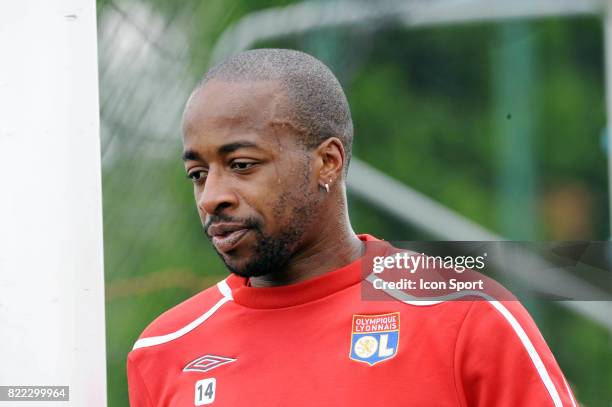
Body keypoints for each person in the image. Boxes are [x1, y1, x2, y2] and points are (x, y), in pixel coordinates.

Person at [127, 48, 577, 406]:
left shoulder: (466, 315)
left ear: (327, 162)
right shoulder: (164, 349)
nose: (211, 197)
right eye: (198, 175)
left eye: (242, 165)